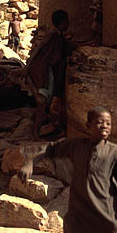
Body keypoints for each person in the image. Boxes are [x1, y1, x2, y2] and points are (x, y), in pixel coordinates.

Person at [24, 9, 75, 137]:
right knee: (42, 104)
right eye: (67, 21)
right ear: (62, 22)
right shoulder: (52, 36)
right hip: (42, 74)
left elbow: (69, 47)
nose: (69, 23)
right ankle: (35, 133)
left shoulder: (60, 37)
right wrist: (27, 67)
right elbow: (38, 49)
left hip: (50, 74)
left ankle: (51, 128)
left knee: (50, 103)